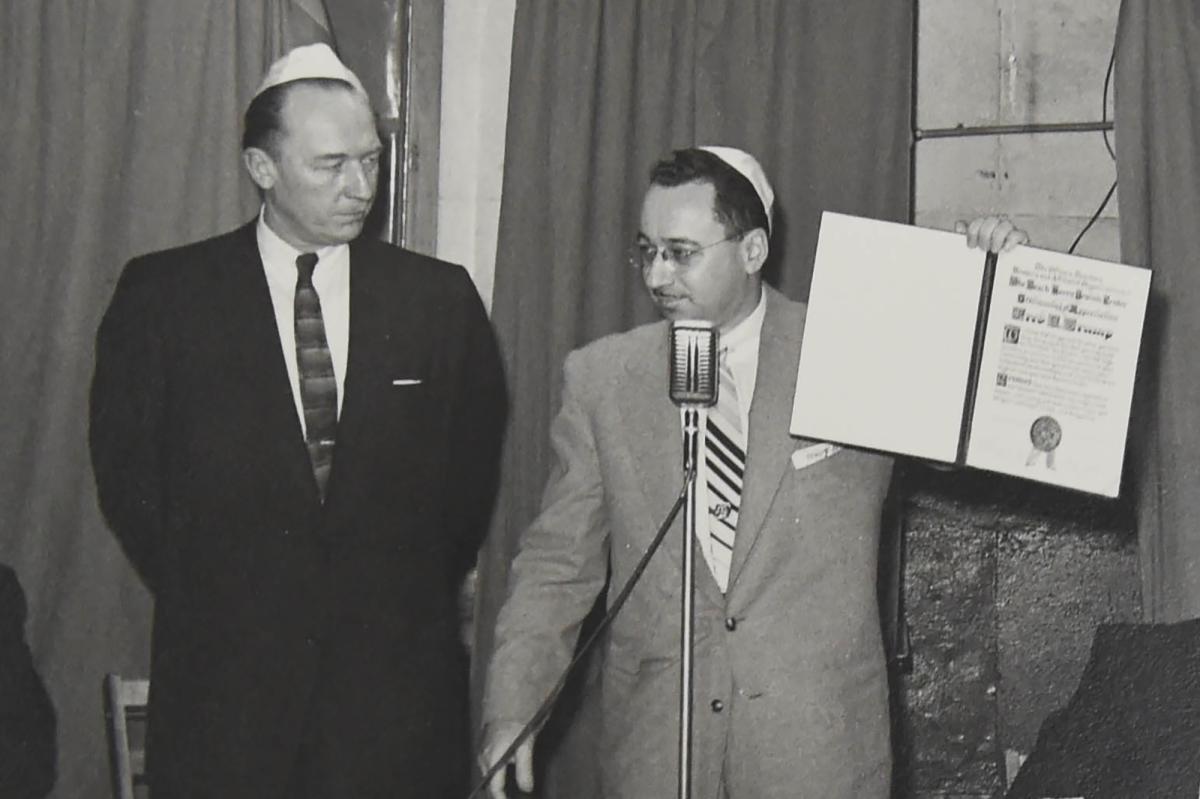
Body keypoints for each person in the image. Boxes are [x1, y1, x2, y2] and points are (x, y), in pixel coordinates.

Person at [479, 146, 1026, 798]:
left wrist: (991, 283)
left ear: (753, 250)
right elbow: (557, 563)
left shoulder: (849, 345)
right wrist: (514, 704)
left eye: (681, 252)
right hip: (656, 753)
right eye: (647, 251)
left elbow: (964, 436)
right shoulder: (602, 378)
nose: (657, 274)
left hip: (815, 754)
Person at [88, 43, 506, 798]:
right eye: (330, 165)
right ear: (262, 168)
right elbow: (131, 483)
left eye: (371, 161)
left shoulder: (439, 302)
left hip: (394, 714)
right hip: (227, 707)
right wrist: (242, 592)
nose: (361, 187)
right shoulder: (166, 298)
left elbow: (464, 494)